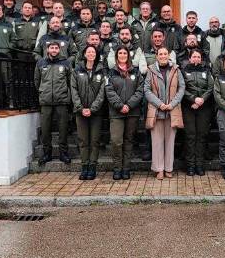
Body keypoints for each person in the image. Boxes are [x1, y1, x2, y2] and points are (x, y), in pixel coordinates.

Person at [144, 47, 185, 180]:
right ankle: (159, 169)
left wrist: (172, 104)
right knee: (157, 142)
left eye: (165, 54)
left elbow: (182, 88)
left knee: (170, 141)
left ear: (168, 56)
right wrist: (159, 104)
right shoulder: (151, 70)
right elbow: (147, 90)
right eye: (160, 54)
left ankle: (168, 168)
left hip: (172, 111)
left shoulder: (176, 69)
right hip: (156, 111)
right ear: (156, 56)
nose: (163, 56)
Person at [105, 46, 145, 181]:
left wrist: (129, 105)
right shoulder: (111, 72)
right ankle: (117, 168)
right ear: (117, 56)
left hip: (132, 112)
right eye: (120, 53)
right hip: (116, 112)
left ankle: (126, 168)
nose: (122, 55)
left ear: (128, 56)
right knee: (116, 141)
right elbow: (109, 90)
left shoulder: (136, 72)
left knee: (128, 141)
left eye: (125, 53)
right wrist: (120, 105)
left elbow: (140, 90)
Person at [71, 44, 106, 180]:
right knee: (83, 140)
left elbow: (102, 92)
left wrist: (92, 108)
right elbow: (73, 90)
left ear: (96, 55)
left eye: (93, 52)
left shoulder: (101, 71)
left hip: (96, 112)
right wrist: (81, 108)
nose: (91, 54)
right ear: (85, 54)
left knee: (94, 141)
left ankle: (92, 167)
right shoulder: (77, 70)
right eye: (89, 52)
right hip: (80, 112)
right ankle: (84, 166)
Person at [35, 41, 73, 166]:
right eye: (52, 48)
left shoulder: (66, 63)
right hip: (46, 101)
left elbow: (70, 81)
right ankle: (47, 154)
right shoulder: (41, 63)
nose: (54, 50)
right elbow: (37, 80)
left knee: (63, 129)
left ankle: (63, 153)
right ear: (47, 49)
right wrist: (42, 91)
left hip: (62, 100)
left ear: (59, 50)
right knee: (45, 129)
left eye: (56, 48)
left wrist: (67, 94)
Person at [181, 49, 214, 176]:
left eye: (198, 57)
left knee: (201, 136)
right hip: (188, 107)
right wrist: (193, 99)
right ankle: (190, 165)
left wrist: (201, 100)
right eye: (194, 56)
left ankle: (199, 165)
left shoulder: (207, 71)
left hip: (204, 107)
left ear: (201, 59)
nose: (196, 59)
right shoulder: (184, 72)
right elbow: (181, 88)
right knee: (190, 136)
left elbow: (211, 87)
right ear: (189, 59)